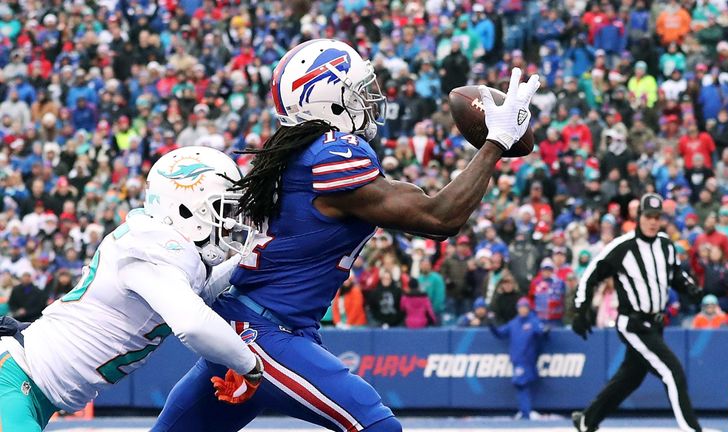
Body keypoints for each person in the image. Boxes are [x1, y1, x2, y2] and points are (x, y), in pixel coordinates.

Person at [153, 38, 540, 432]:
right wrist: (495, 143)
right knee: (378, 428)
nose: (370, 99)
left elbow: (413, 201)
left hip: (254, 324)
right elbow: (440, 218)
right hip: (268, 334)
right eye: (359, 90)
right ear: (329, 99)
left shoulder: (300, 153)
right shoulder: (333, 152)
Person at [0, 147, 264, 431]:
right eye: (222, 209)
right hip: (13, 380)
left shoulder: (169, 254)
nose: (230, 223)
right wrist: (249, 366)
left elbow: (201, 294)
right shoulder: (152, 247)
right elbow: (193, 324)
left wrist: (256, 253)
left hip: (28, 386)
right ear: (187, 208)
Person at [571, 193, 702, 432]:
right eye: (648, 216)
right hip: (633, 323)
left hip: (656, 324)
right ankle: (692, 429)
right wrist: (580, 310)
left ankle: (587, 420)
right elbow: (591, 274)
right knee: (673, 372)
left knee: (629, 378)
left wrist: (689, 287)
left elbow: (675, 274)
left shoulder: (665, 244)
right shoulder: (623, 246)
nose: (653, 221)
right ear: (639, 216)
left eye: (657, 217)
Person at [490, 297, 546, 420]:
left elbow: (541, 331)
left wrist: (544, 331)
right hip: (516, 360)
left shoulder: (533, 321)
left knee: (521, 384)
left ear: (528, 308)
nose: (522, 310)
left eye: (524, 307)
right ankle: (525, 411)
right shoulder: (514, 323)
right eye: (520, 307)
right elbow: (500, 333)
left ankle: (525, 413)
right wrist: (491, 324)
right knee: (521, 385)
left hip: (527, 360)